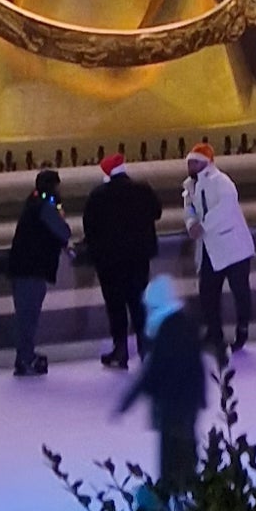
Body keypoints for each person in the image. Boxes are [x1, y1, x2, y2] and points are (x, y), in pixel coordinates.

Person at [120, 274, 206, 498]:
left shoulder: (167, 331)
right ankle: (189, 495)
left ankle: (176, 499)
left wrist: (127, 401)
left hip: (172, 405)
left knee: (172, 458)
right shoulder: (184, 324)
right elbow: (197, 366)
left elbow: (153, 372)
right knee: (185, 452)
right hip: (186, 403)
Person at [82, 150, 162, 369]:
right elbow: (157, 212)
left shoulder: (98, 195)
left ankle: (120, 351)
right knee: (139, 304)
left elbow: (89, 227)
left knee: (116, 306)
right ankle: (147, 349)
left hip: (109, 262)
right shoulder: (143, 190)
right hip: (138, 258)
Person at [183, 141, 256, 357]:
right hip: (209, 250)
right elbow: (189, 209)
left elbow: (226, 208)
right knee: (208, 293)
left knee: (240, 292)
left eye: (194, 162)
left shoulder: (222, 182)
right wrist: (191, 224)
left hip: (233, 249)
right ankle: (214, 334)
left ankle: (242, 330)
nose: (190, 166)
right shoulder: (189, 186)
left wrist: (202, 225)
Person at [6, 167, 70, 377]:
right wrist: (61, 215)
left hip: (23, 268)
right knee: (28, 316)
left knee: (25, 316)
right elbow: (63, 231)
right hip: (31, 270)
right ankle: (25, 358)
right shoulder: (44, 207)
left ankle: (24, 356)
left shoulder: (32, 203)